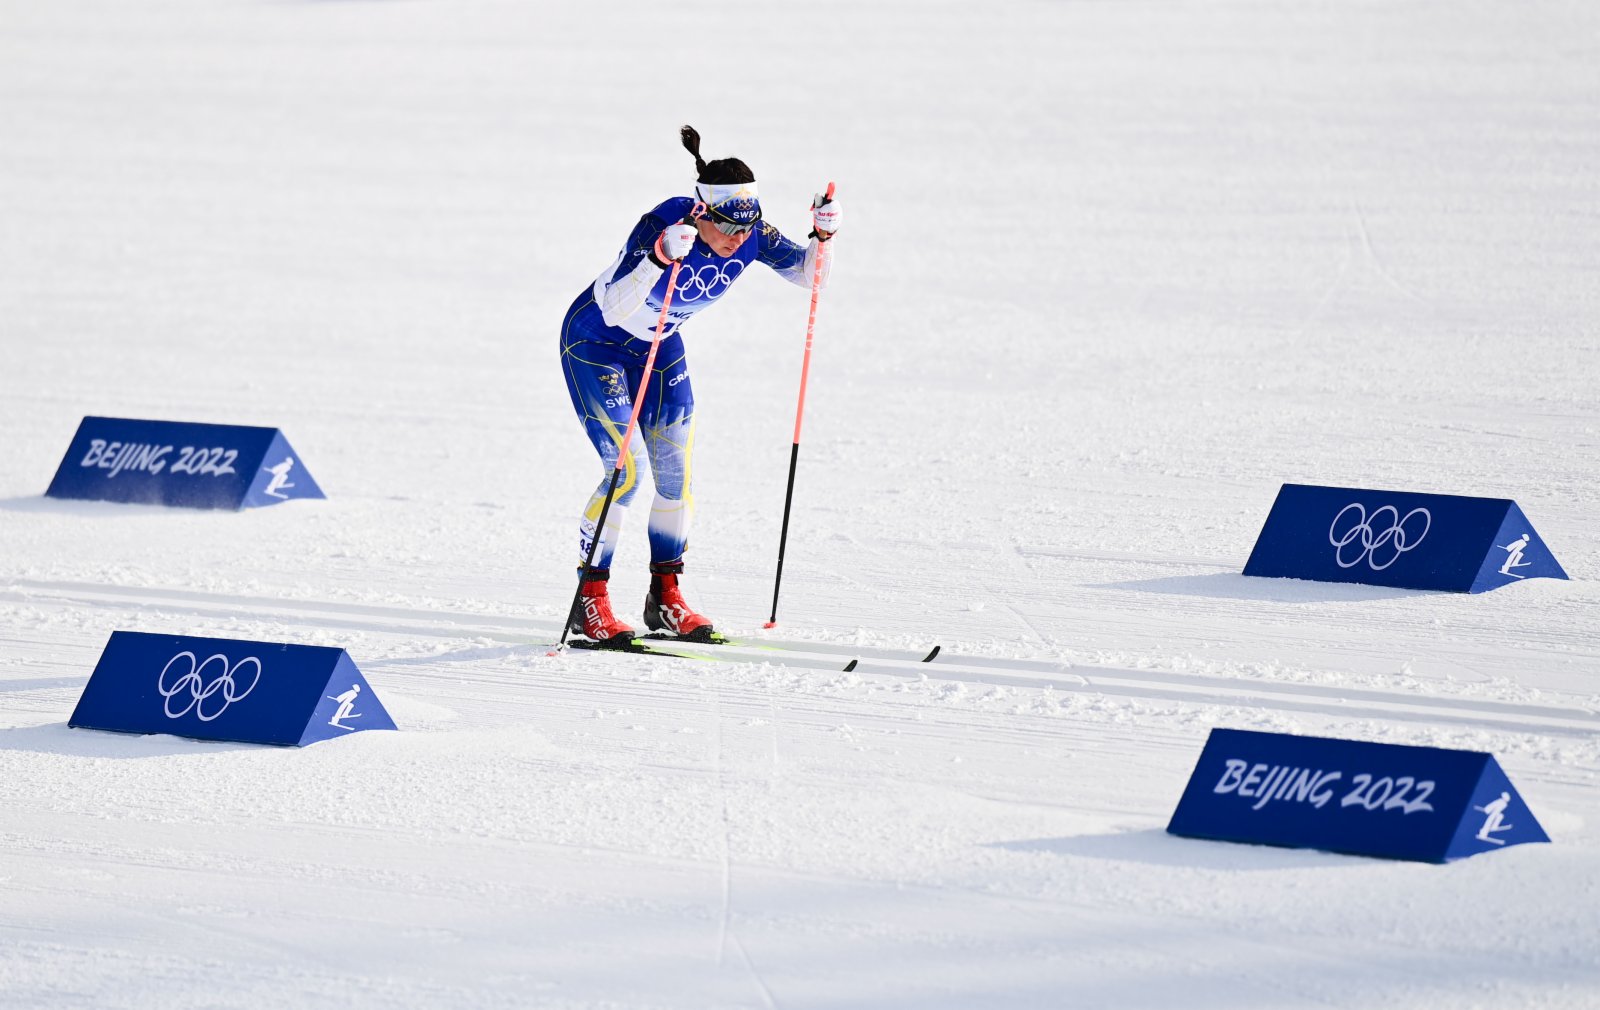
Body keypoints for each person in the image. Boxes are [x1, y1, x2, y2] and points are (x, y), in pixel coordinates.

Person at [560, 125, 842, 644]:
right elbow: (616, 307)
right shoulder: (664, 222)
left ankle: (665, 598)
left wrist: (822, 238)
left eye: (746, 228)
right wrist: (658, 257)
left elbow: (810, 277)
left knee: (675, 477)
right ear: (702, 212)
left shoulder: (750, 232)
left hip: (659, 346)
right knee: (625, 474)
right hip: (596, 341)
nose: (738, 240)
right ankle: (590, 602)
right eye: (729, 228)